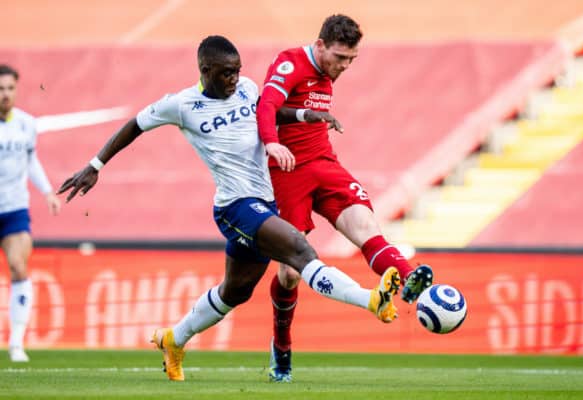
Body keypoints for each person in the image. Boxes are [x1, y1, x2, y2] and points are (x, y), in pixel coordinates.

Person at [57, 35, 402, 382]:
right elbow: (134, 125)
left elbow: (268, 109)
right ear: (205, 71)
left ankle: (173, 339)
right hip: (235, 207)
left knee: (234, 291)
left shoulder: (248, 88)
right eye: (225, 74)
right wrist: (95, 165)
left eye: (237, 71)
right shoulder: (181, 105)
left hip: (264, 203)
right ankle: (371, 300)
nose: (234, 79)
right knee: (299, 249)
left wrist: (304, 113)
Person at [256, 14, 434, 382]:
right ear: (320, 45)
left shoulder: (326, 72)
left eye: (351, 60)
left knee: (365, 224)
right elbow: (266, 105)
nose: (345, 66)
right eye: (340, 57)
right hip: (287, 172)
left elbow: (297, 109)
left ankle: (409, 277)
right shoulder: (290, 62)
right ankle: (282, 346)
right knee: (290, 272)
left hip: (324, 163)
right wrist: (272, 143)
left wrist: (308, 116)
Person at [0, 64, 61, 362]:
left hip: (14, 209)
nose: (5, 94)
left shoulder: (26, 124)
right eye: (0, 89)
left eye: (10, 88)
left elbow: (31, 160)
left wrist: (48, 191)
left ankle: (16, 342)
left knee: (18, 266)